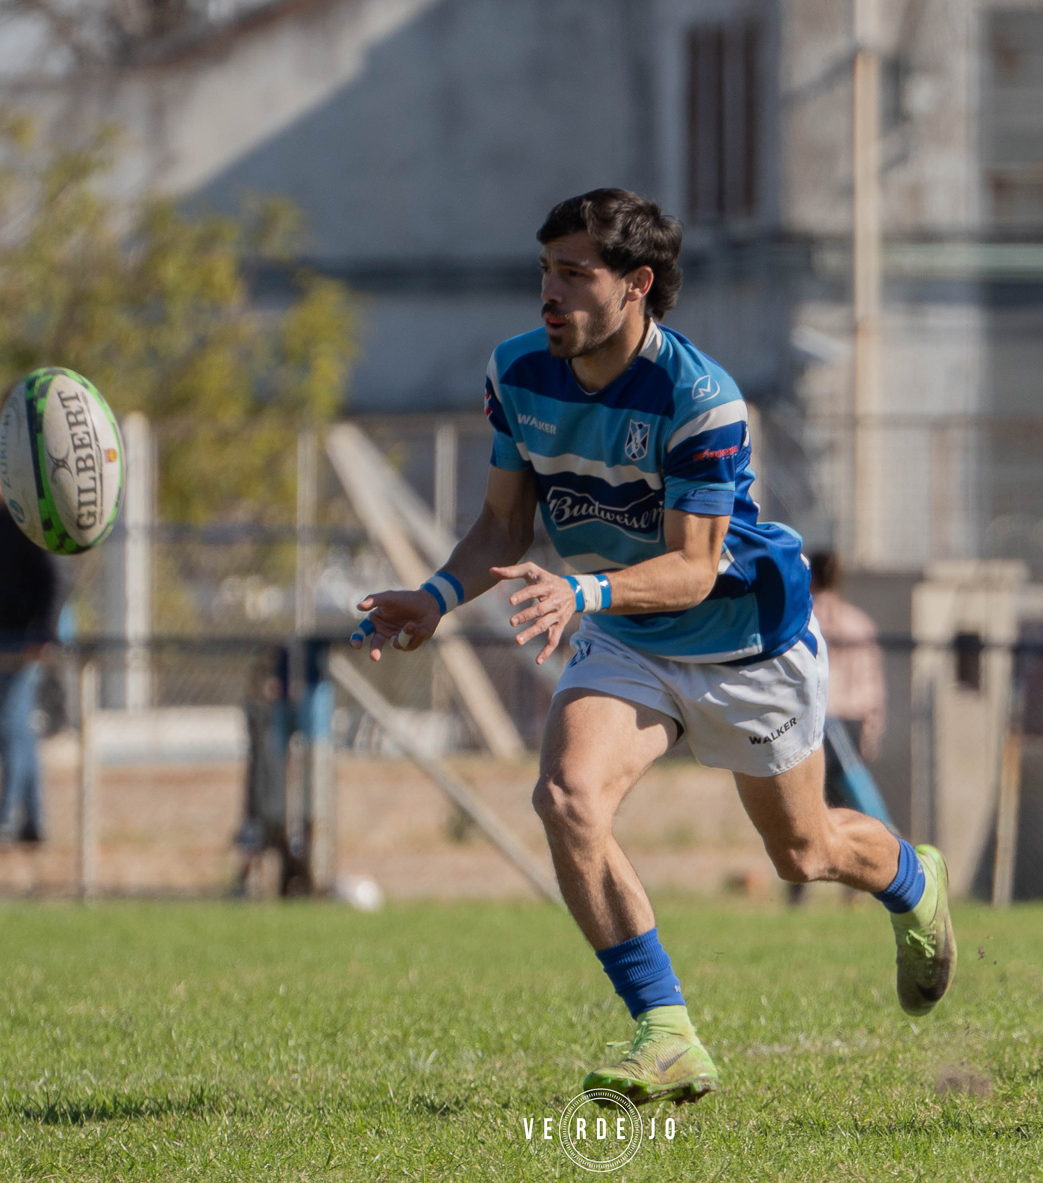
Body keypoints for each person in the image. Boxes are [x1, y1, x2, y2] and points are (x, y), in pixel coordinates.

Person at [348, 189, 955, 1106]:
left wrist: (582, 588)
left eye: (574, 274)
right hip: (628, 635)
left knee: (806, 851)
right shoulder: (518, 373)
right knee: (565, 795)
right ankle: (664, 1031)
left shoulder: (700, 397)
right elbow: (503, 524)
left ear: (636, 286)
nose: (549, 294)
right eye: (544, 271)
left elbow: (696, 569)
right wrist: (435, 598)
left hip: (747, 640)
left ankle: (914, 879)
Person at [0, 454, 65, 844]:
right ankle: (33, 821)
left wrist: (43, 632)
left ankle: (6, 819)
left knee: (11, 728)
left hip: (25, 642)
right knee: (18, 730)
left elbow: (56, 579)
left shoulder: (28, 523)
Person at [788, 551, 888, 905]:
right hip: (848, 722)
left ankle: (799, 890)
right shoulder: (859, 623)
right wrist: (872, 730)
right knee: (849, 808)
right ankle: (859, 884)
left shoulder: (799, 620)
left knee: (807, 804)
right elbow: (873, 687)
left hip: (818, 722)